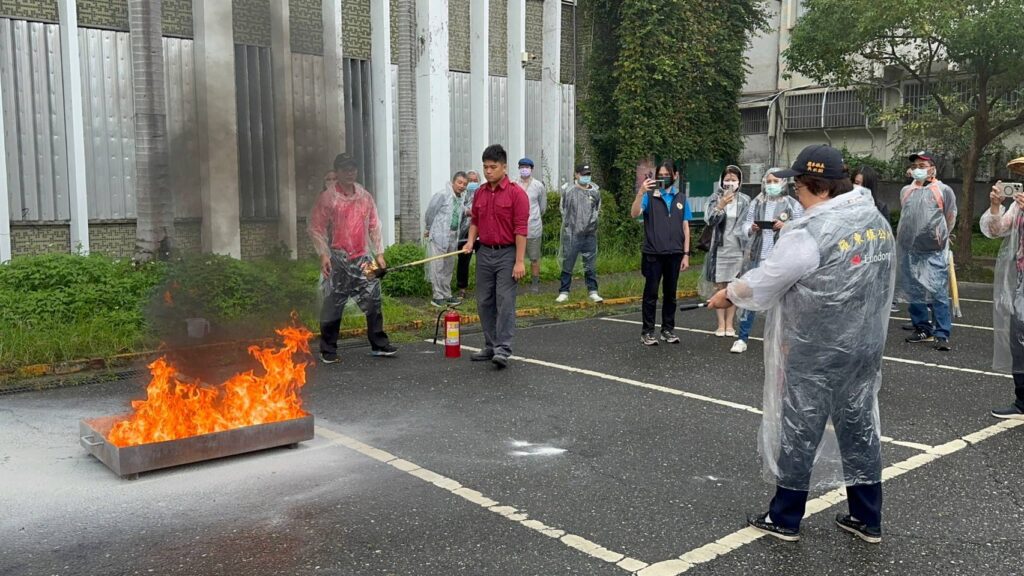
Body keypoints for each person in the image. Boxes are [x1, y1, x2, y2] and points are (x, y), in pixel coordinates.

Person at [709, 144, 895, 544]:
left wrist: (729, 294)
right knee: (860, 427)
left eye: (798, 185)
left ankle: (786, 518)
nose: (794, 192)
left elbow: (770, 277)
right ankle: (867, 518)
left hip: (817, 348)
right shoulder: (872, 218)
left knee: (800, 428)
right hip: (863, 346)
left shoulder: (811, 232)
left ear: (818, 186)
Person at [309, 154, 397, 363]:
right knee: (334, 303)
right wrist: (323, 255)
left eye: (353, 168)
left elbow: (375, 225)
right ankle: (328, 350)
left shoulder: (364, 196)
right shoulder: (328, 198)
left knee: (374, 299)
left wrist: (380, 253)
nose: (350, 172)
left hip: (364, 258)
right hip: (338, 258)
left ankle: (379, 344)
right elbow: (316, 228)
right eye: (345, 169)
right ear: (337, 172)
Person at [462, 145, 530, 368]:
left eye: (493, 167)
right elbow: (475, 221)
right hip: (484, 252)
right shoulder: (480, 192)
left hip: (507, 253)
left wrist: (519, 261)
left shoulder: (516, 193)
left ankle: (503, 349)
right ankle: (490, 345)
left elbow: (521, 229)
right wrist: (471, 242)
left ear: (504, 167)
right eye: (485, 167)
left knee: (505, 300)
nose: (488, 171)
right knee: (484, 301)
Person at [731, 168, 804, 354]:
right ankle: (742, 337)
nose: (772, 185)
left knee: (781, 302)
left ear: (783, 183)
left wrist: (785, 226)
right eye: (769, 181)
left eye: (776, 181)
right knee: (750, 297)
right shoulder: (757, 203)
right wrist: (752, 228)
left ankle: (779, 340)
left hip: (781, 260)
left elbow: (802, 228)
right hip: (757, 257)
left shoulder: (792, 205)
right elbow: (743, 225)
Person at [895, 151, 957, 351]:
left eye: (922, 166)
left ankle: (942, 333)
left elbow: (950, 216)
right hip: (910, 250)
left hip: (934, 250)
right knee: (915, 291)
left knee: (938, 292)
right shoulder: (906, 190)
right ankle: (922, 327)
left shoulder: (943, 190)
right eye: (915, 166)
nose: (918, 169)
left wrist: (941, 236)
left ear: (933, 168)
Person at [979, 164, 1024, 420]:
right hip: (1021, 278)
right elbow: (996, 230)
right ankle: (1022, 399)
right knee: (1019, 339)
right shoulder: (1018, 203)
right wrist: (996, 205)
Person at [630, 161, 692, 346]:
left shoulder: (680, 198)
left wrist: (686, 253)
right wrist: (641, 192)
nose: (664, 178)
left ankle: (667, 329)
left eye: (667, 174)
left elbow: (686, 227)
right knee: (651, 293)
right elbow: (634, 214)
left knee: (670, 294)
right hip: (653, 253)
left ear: (675, 175)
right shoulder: (650, 195)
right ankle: (647, 331)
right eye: (661, 175)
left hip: (674, 253)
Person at [700, 165, 750, 338]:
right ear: (722, 181)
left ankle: (730, 324)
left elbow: (747, 225)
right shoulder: (714, 198)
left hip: (737, 249)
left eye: (733, 180)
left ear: (739, 181)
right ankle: (720, 324)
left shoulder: (745, 200)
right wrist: (720, 205)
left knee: (733, 287)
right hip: (719, 249)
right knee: (720, 286)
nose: (730, 183)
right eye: (727, 179)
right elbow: (710, 221)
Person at [853, 165, 898, 314]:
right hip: (853, 262)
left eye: (860, 183)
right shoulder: (846, 206)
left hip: (872, 262)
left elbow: (885, 238)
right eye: (855, 182)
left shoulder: (879, 207)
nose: (857, 187)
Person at [556, 164, 603, 303]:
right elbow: (563, 209)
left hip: (589, 234)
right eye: (583, 174)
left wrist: (589, 226)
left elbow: (596, 210)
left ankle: (593, 291)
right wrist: (572, 226)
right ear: (576, 174)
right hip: (572, 234)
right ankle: (564, 291)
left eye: (588, 174)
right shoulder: (569, 191)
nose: (586, 176)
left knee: (590, 263)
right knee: (568, 262)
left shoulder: (595, 192)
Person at [424, 172, 470, 307]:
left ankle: (447, 294)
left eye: (464, 184)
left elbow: (460, 210)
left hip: (452, 236)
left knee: (448, 266)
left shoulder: (460, 197)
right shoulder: (442, 195)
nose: (462, 186)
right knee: (437, 265)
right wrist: (428, 228)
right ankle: (437, 296)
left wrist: (470, 212)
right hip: (439, 235)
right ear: (453, 182)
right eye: (459, 182)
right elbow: (430, 212)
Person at [516, 158, 547, 292]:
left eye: (527, 167)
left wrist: (533, 217)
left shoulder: (538, 185)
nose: (524, 169)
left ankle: (535, 284)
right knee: (516, 257)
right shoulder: (514, 184)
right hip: (516, 228)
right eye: (522, 167)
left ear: (531, 169)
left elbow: (542, 207)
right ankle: (515, 284)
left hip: (533, 227)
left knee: (534, 258)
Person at [455, 171, 482, 299]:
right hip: (463, 235)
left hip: (481, 233)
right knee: (463, 262)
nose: (472, 183)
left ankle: (483, 288)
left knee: (483, 262)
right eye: (469, 181)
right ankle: (462, 288)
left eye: (474, 180)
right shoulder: (461, 196)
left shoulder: (482, 194)